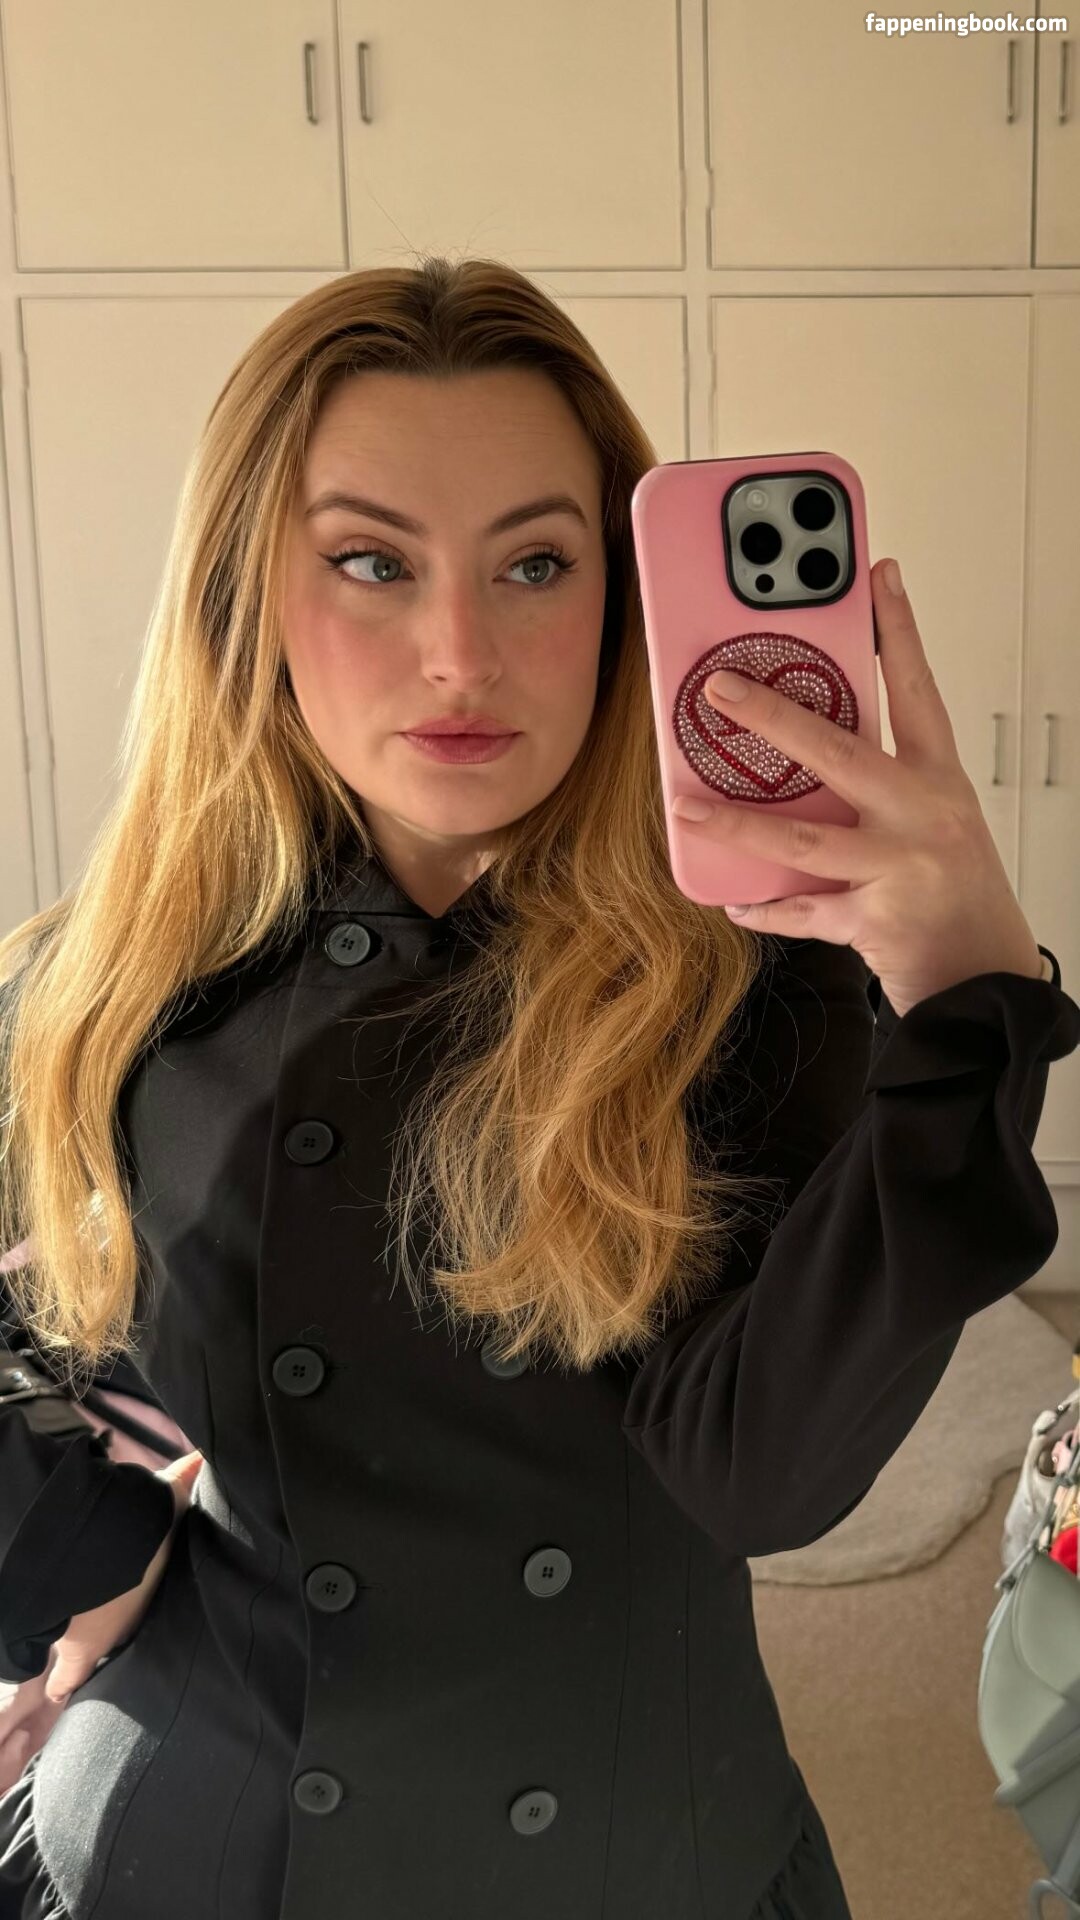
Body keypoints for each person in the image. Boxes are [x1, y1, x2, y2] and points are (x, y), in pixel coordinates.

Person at [0, 255, 1076, 1920]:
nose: (459, 654)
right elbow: (38, 1328)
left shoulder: (758, 984)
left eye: (535, 564)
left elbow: (765, 1479)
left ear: (624, 603)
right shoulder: (120, 977)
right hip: (201, 1849)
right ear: (245, 595)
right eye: (371, 562)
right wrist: (74, 1555)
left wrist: (962, 1005)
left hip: (638, 1858)